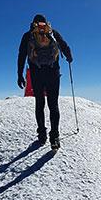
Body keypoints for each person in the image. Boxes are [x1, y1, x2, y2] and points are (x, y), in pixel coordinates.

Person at [17, 14, 73, 149]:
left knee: (39, 104)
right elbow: (64, 46)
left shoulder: (28, 35)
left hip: (36, 73)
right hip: (53, 73)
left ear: (33, 23)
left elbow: (22, 55)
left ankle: (42, 135)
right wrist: (69, 57)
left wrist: (20, 75)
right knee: (53, 105)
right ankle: (54, 137)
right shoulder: (52, 33)